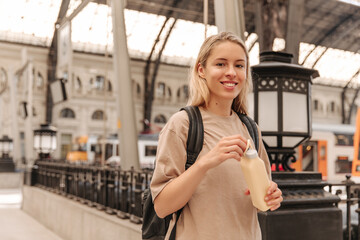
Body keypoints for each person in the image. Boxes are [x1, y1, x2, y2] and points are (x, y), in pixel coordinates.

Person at [150, 31, 283, 240]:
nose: (231, 72)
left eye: (239, 65)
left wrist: (271, 197)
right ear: (201, 70)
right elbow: (162, 206)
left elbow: (260, 203)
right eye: (220, 64)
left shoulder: (251, 129)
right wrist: (206, 162)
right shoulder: (182, 125)